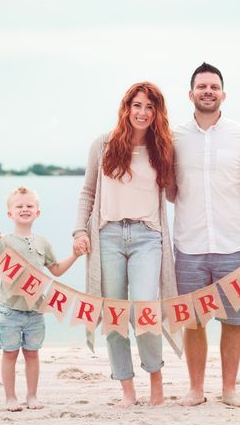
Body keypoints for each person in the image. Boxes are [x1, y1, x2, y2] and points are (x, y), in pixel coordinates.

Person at [73, 82, 177, 408]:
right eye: (137, 105)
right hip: (108, 236)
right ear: (127, 107)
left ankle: (156, 384)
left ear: (157, 112)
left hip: (148, 236)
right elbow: (88, 191)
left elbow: (174, 192)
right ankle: (128, 392)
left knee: (145, 310)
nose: (142, 112)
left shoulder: (163, 148)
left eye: (149, 107)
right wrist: (79, 231)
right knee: (115, 317)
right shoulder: (102, 144)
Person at [169, 62, 240, 407]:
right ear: (190, 94)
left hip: (235, 244)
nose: (208, 92)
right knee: (193, 321)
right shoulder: (174, 137)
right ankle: (195, 389)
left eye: (214, 87)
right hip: (189, 244)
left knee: (233, 321)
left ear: (223, 94)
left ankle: (230, 389)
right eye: (202, 87)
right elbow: (166, 186)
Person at [0, 186, 81, 412]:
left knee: (32, 354)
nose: (24, 209)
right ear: (10, 214)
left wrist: (75, 255)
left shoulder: (43, 243)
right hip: (10, 310)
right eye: (19, 206)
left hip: (36, 311)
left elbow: (57, 270)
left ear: (37, 213)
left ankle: (32, 396)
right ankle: (10, 397)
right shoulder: (3, 242)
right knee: (10, 353)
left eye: (29, 206)